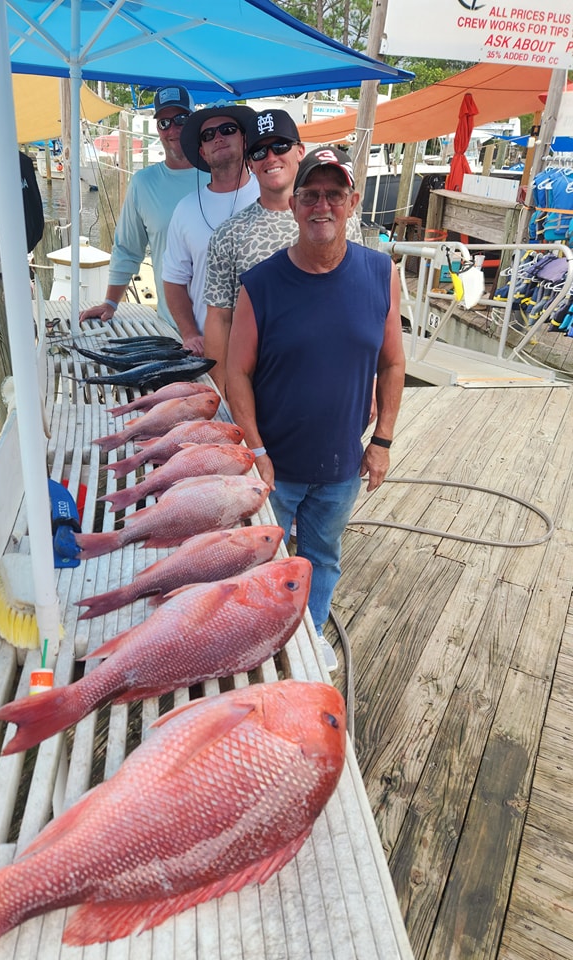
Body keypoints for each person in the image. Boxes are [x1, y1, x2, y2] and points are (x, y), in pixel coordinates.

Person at [225, 147, 405, 670]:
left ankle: (311, 631)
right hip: (273, 465)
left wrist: (383, 442)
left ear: (352, 201)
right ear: (294, 205)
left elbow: (393, 363)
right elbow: (236, 372)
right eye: (310, 194)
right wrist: (255, 449)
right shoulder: (259, 283)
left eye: (333, 194)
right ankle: (259, 642)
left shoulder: (380, 273)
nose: (321, 205)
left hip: (341, 464)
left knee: (323, 558)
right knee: (262, 561)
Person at [204, 114, 365, 394]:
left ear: (300, 151)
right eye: (259, 151)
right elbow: (219, 318)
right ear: (250, 163)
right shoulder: (227, 234)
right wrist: (219, 390)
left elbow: (358, 299)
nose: (270, 157)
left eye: (280, 146)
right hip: (259, 387)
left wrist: (368, 378)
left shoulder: (343, 219)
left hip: (335, 380)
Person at [79, 85, 209, 330]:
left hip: (229, 328)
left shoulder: (222, 176)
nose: (173, 129)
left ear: (195, 122)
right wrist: (110, 302)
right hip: (173, 327)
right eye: (164, 123)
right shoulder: (143, 183)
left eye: (181, 119)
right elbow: (128, 248)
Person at [162, 101, 259, 356]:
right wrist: (190, 333)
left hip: (268, 351)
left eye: (228, 129)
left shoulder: (272, 197)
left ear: (245, 140)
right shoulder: (185, 209)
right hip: (210, 351)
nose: (218, 138)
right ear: (202, 152)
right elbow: (173, 280)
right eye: (208, 135)